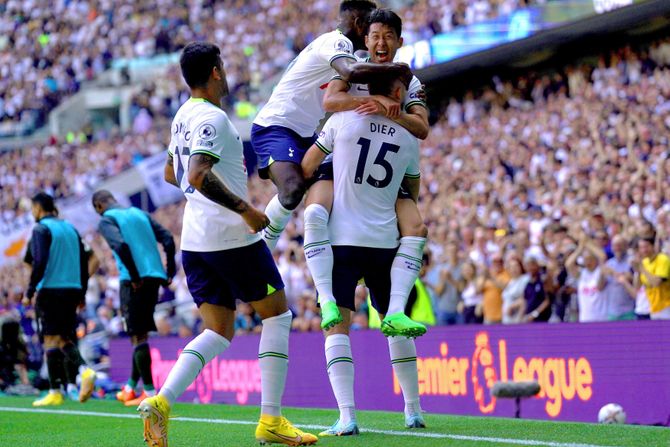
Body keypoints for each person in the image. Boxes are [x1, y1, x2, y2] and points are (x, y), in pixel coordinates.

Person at [139, 42, 318, 447]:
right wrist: (245, 209)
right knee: (277, 316)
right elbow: (198, 174)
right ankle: (270, 420)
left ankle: (162, 401)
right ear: (216, 71)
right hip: (230, 237)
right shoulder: (213, 119)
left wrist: (201, 188)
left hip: (196, 240)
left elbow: (174, 173)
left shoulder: (182, 116)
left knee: (218, 331)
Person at [302, 73, 425, 435]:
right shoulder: (408, 136)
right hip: (385, 242)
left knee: (337, 326)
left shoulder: (342, 121)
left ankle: (347, 415)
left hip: (341, 240)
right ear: (399, 93)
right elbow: (412, 187)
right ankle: (413, 411)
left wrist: (316, 187)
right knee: (393, 324)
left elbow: (309, 165)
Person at [304, 8, 429, 334]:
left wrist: (392, 113)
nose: (381, 42)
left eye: (388, 36)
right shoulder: (351, 64)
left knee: (416, 225)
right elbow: (331, 101)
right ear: (366, 39)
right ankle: (326, 295)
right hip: (344, 152)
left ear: (400, 41)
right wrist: (373, 99)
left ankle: (397, 310)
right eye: (375, 35)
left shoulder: (409, 80)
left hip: (385, 161)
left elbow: (422, 127)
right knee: (315, 211)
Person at [252, 0, 412, 252]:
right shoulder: (337, 42)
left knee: (339, 186)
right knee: (293, 190)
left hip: (303, 133)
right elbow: (349, 72)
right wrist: (395, 68)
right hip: (277, 126)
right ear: (360, 25)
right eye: (370, 28)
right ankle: (259, 250)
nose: (373, 36)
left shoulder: (345, 49)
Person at [92, 190, 176, 406]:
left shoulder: (107, 220)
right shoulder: (139, 213)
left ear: (99, 207)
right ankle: (130, 387)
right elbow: (167, 238)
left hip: (133, 280)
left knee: (138, 336)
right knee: (139, 334)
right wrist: (170, 270)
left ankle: (149, 393)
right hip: (155, 277)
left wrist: (135, 275)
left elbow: (119, 245)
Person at [25, 192, 96, 406]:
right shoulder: (70, 228)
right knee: (64, 338)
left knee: (50, 339)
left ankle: (58, 389)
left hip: (51, 289)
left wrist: (29, 291)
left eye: (32, 209)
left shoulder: (40, 228)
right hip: (72, 289)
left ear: (38, 208)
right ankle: (79, 374)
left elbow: (39, 261)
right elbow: (85, 262)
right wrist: (82, 292)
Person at [565, 234, 608, 322]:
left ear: (595, 260)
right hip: (585, 318)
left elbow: (603, 257)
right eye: (585, 259)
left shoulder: (600, 271)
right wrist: (580, 247)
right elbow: (568, 264)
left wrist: (588, 244)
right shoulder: (582, 274)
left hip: (601, 318)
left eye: (590, 259)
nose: (587, 261)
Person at [635, 237, 670, 319]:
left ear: (653, 246)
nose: (643, 250)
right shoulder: (644, 262)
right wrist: (637, 270)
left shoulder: (662, 259)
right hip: (653, 306)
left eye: (646, 246)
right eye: (641, 247)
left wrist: (642, 268)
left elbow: (656, 283)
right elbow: (637, 286)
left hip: (666, 305)